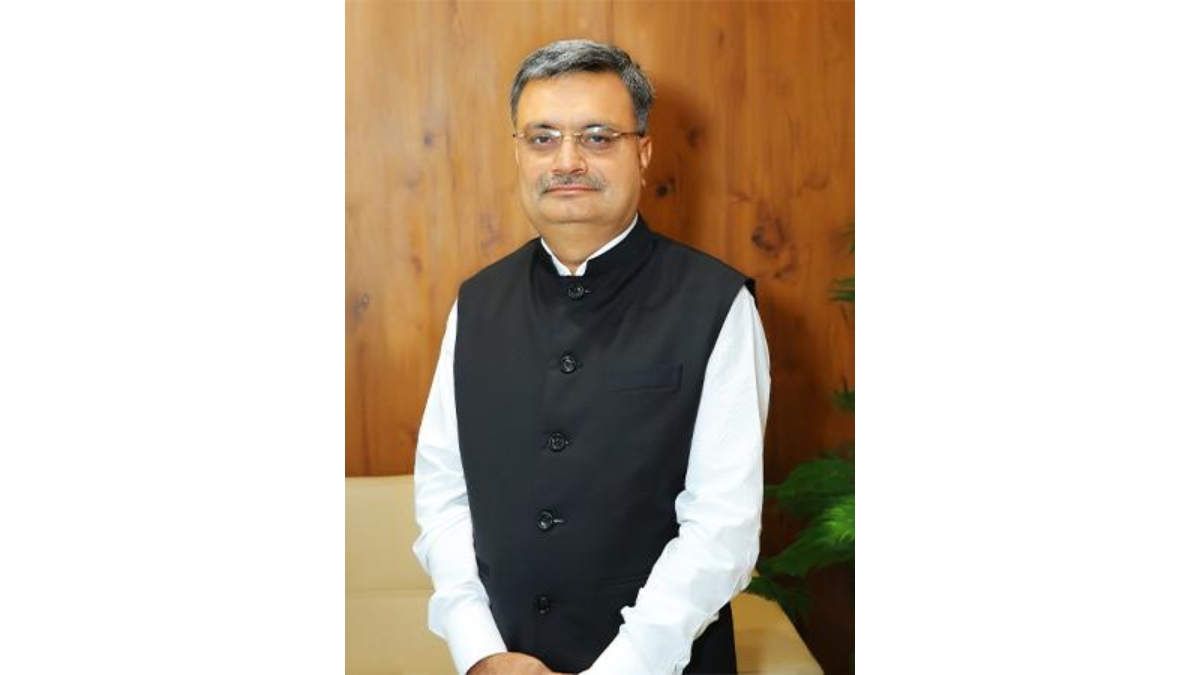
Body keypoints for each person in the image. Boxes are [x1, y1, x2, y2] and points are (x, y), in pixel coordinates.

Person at [412, 39, 771, 675]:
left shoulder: (717, 304)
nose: (567, 161)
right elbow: (444, 492)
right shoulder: (476, 303)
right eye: (542, 138)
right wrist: (480, 650)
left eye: (598, 137)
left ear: (643, 152)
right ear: (518, 153)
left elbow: (723, 528)